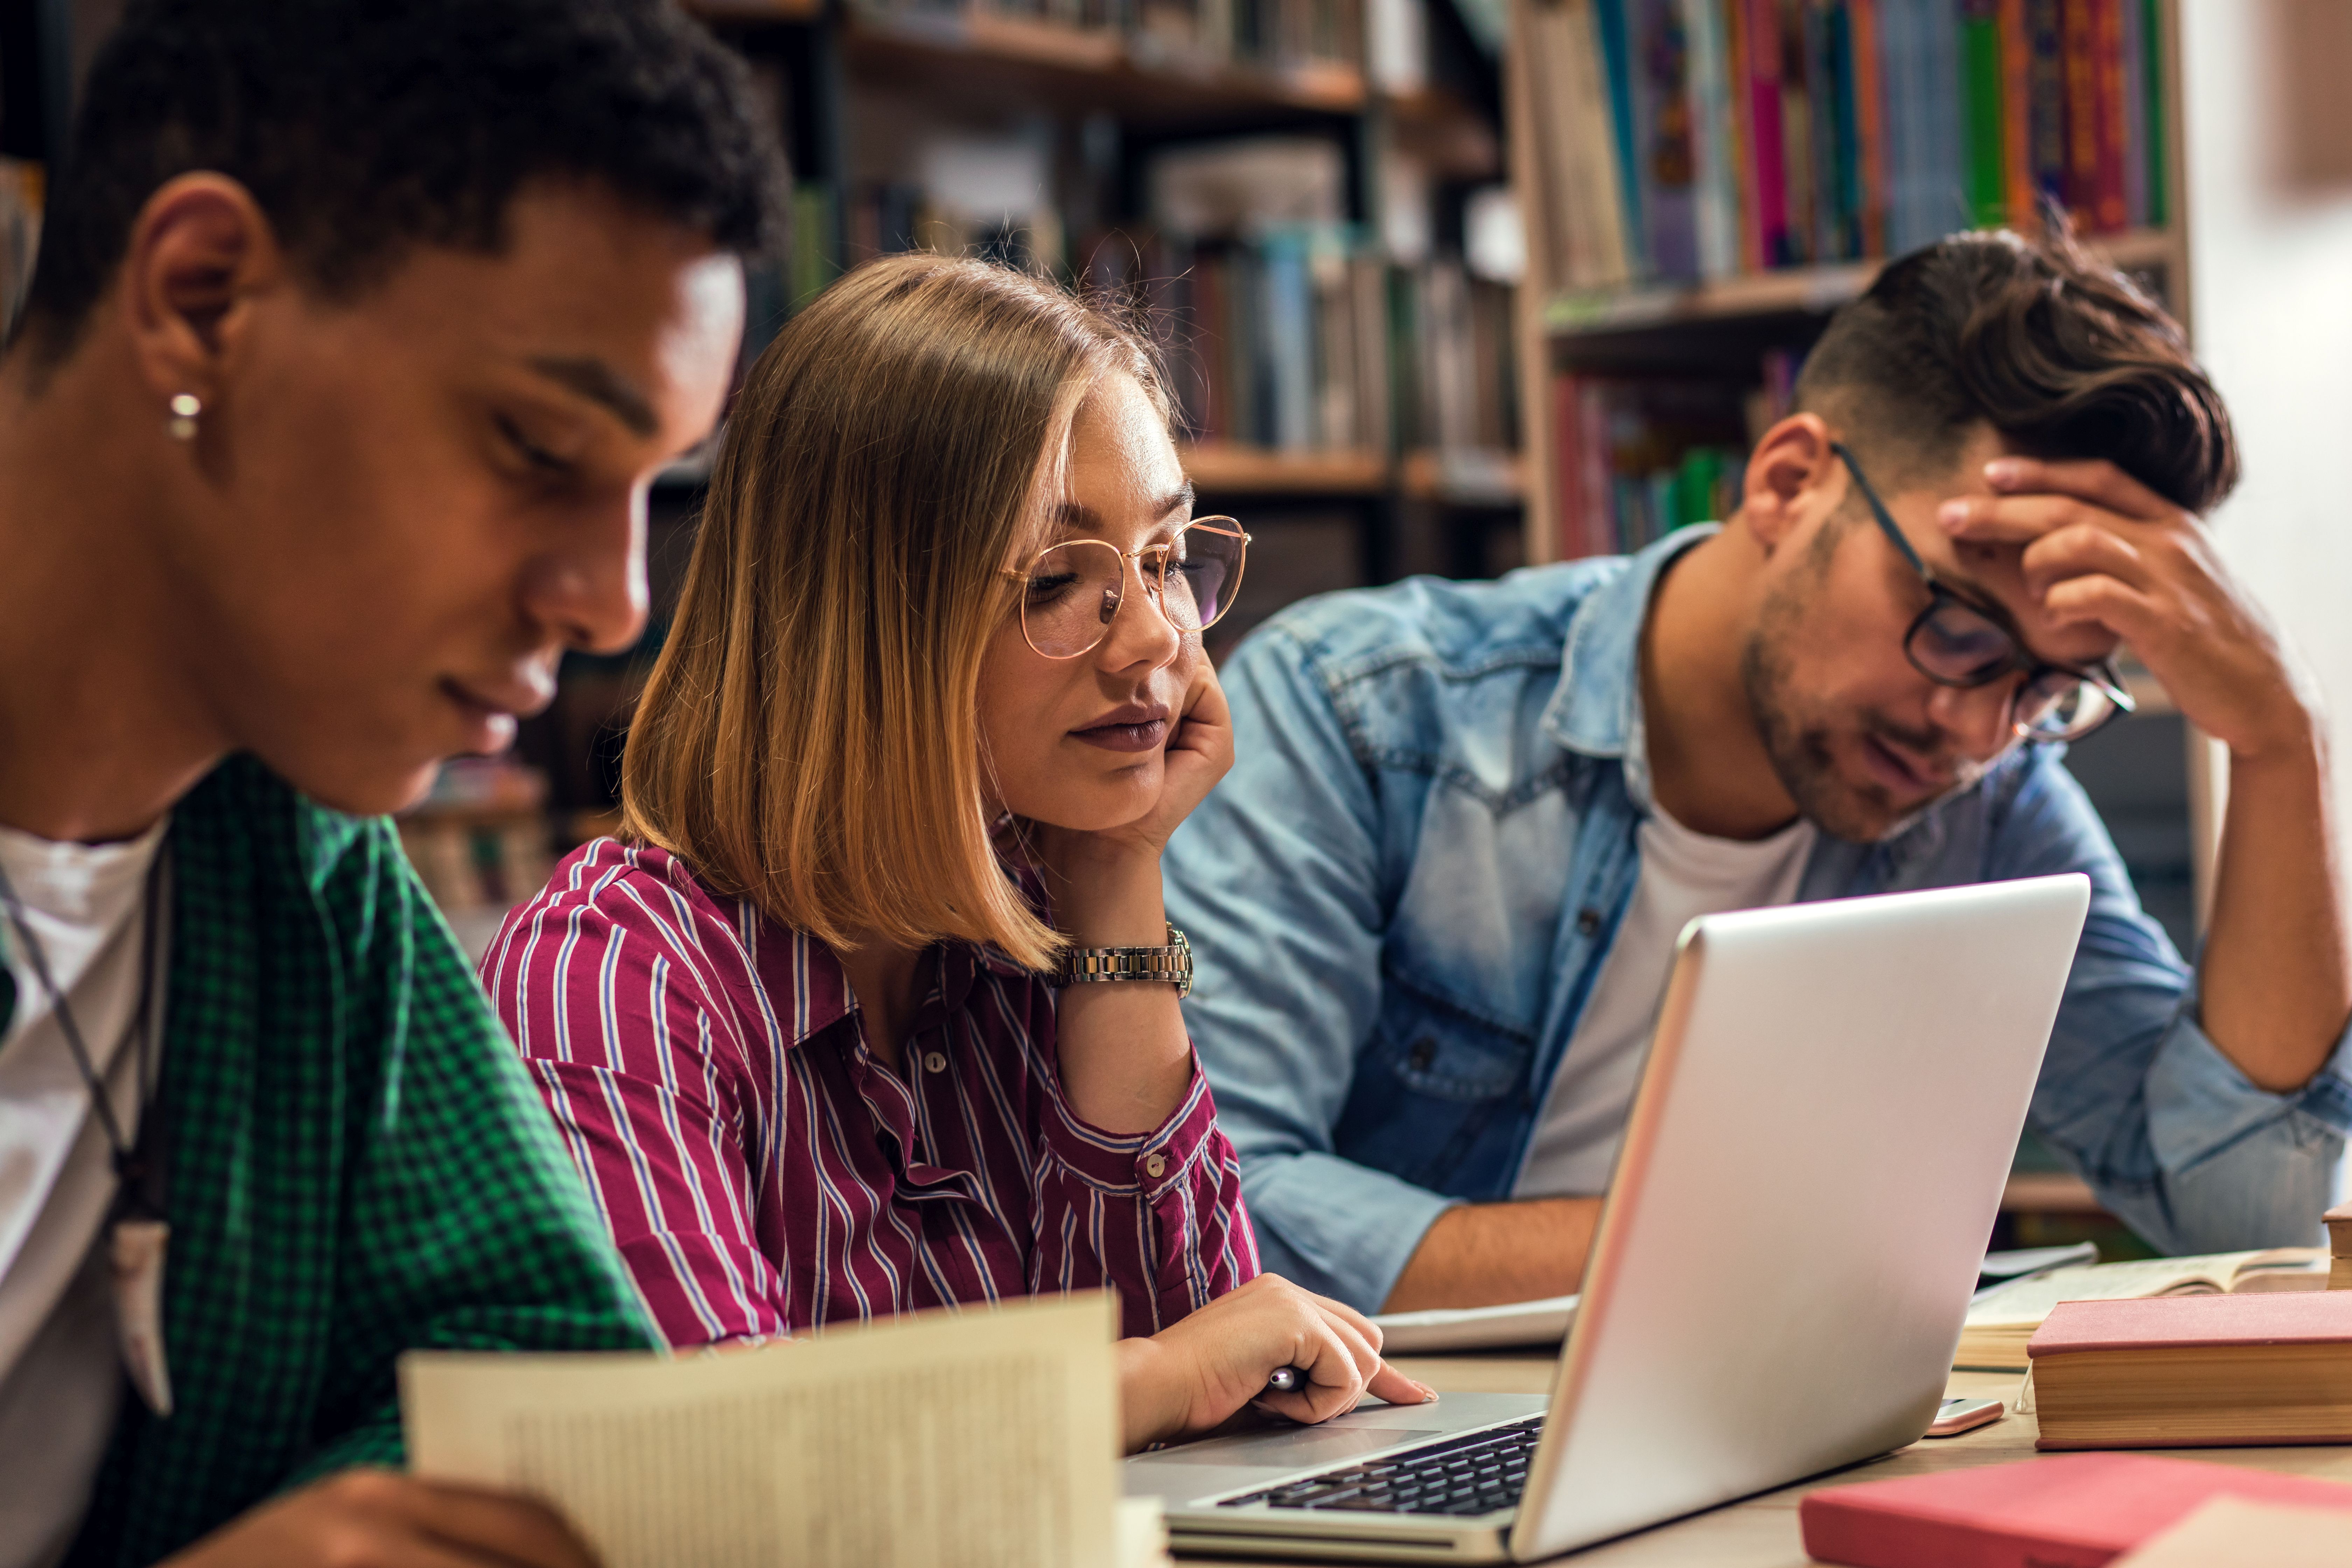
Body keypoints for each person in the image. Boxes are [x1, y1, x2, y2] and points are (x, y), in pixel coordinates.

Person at [1164, 226, 2352, 1314]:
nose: (1976, 730)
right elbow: (1214, 1214)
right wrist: (1738, 1250)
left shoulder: (1993, 810)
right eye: (1958, 625)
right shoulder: (1362, 710)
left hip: (1771, 1429)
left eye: (2048, 688)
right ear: (1788, 482)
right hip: (1397, 1430)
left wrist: (2283, 743)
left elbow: (2247, 1214)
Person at [0, 2, 785, 1563]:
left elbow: (550, 1366)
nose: (616, 602)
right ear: (203, 300)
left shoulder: (300, 866)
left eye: (655, 487)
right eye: (536, 445)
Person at [482, 253, 1432, 1451]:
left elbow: (1221, 1382)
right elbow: (705, 1452)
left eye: (1162, 561)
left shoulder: (1037, 914)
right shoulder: (614, 976)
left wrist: (1118, 869)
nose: (1156, 641)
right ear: (863, 615)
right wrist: (1157, 1380)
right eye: (1060, 579)